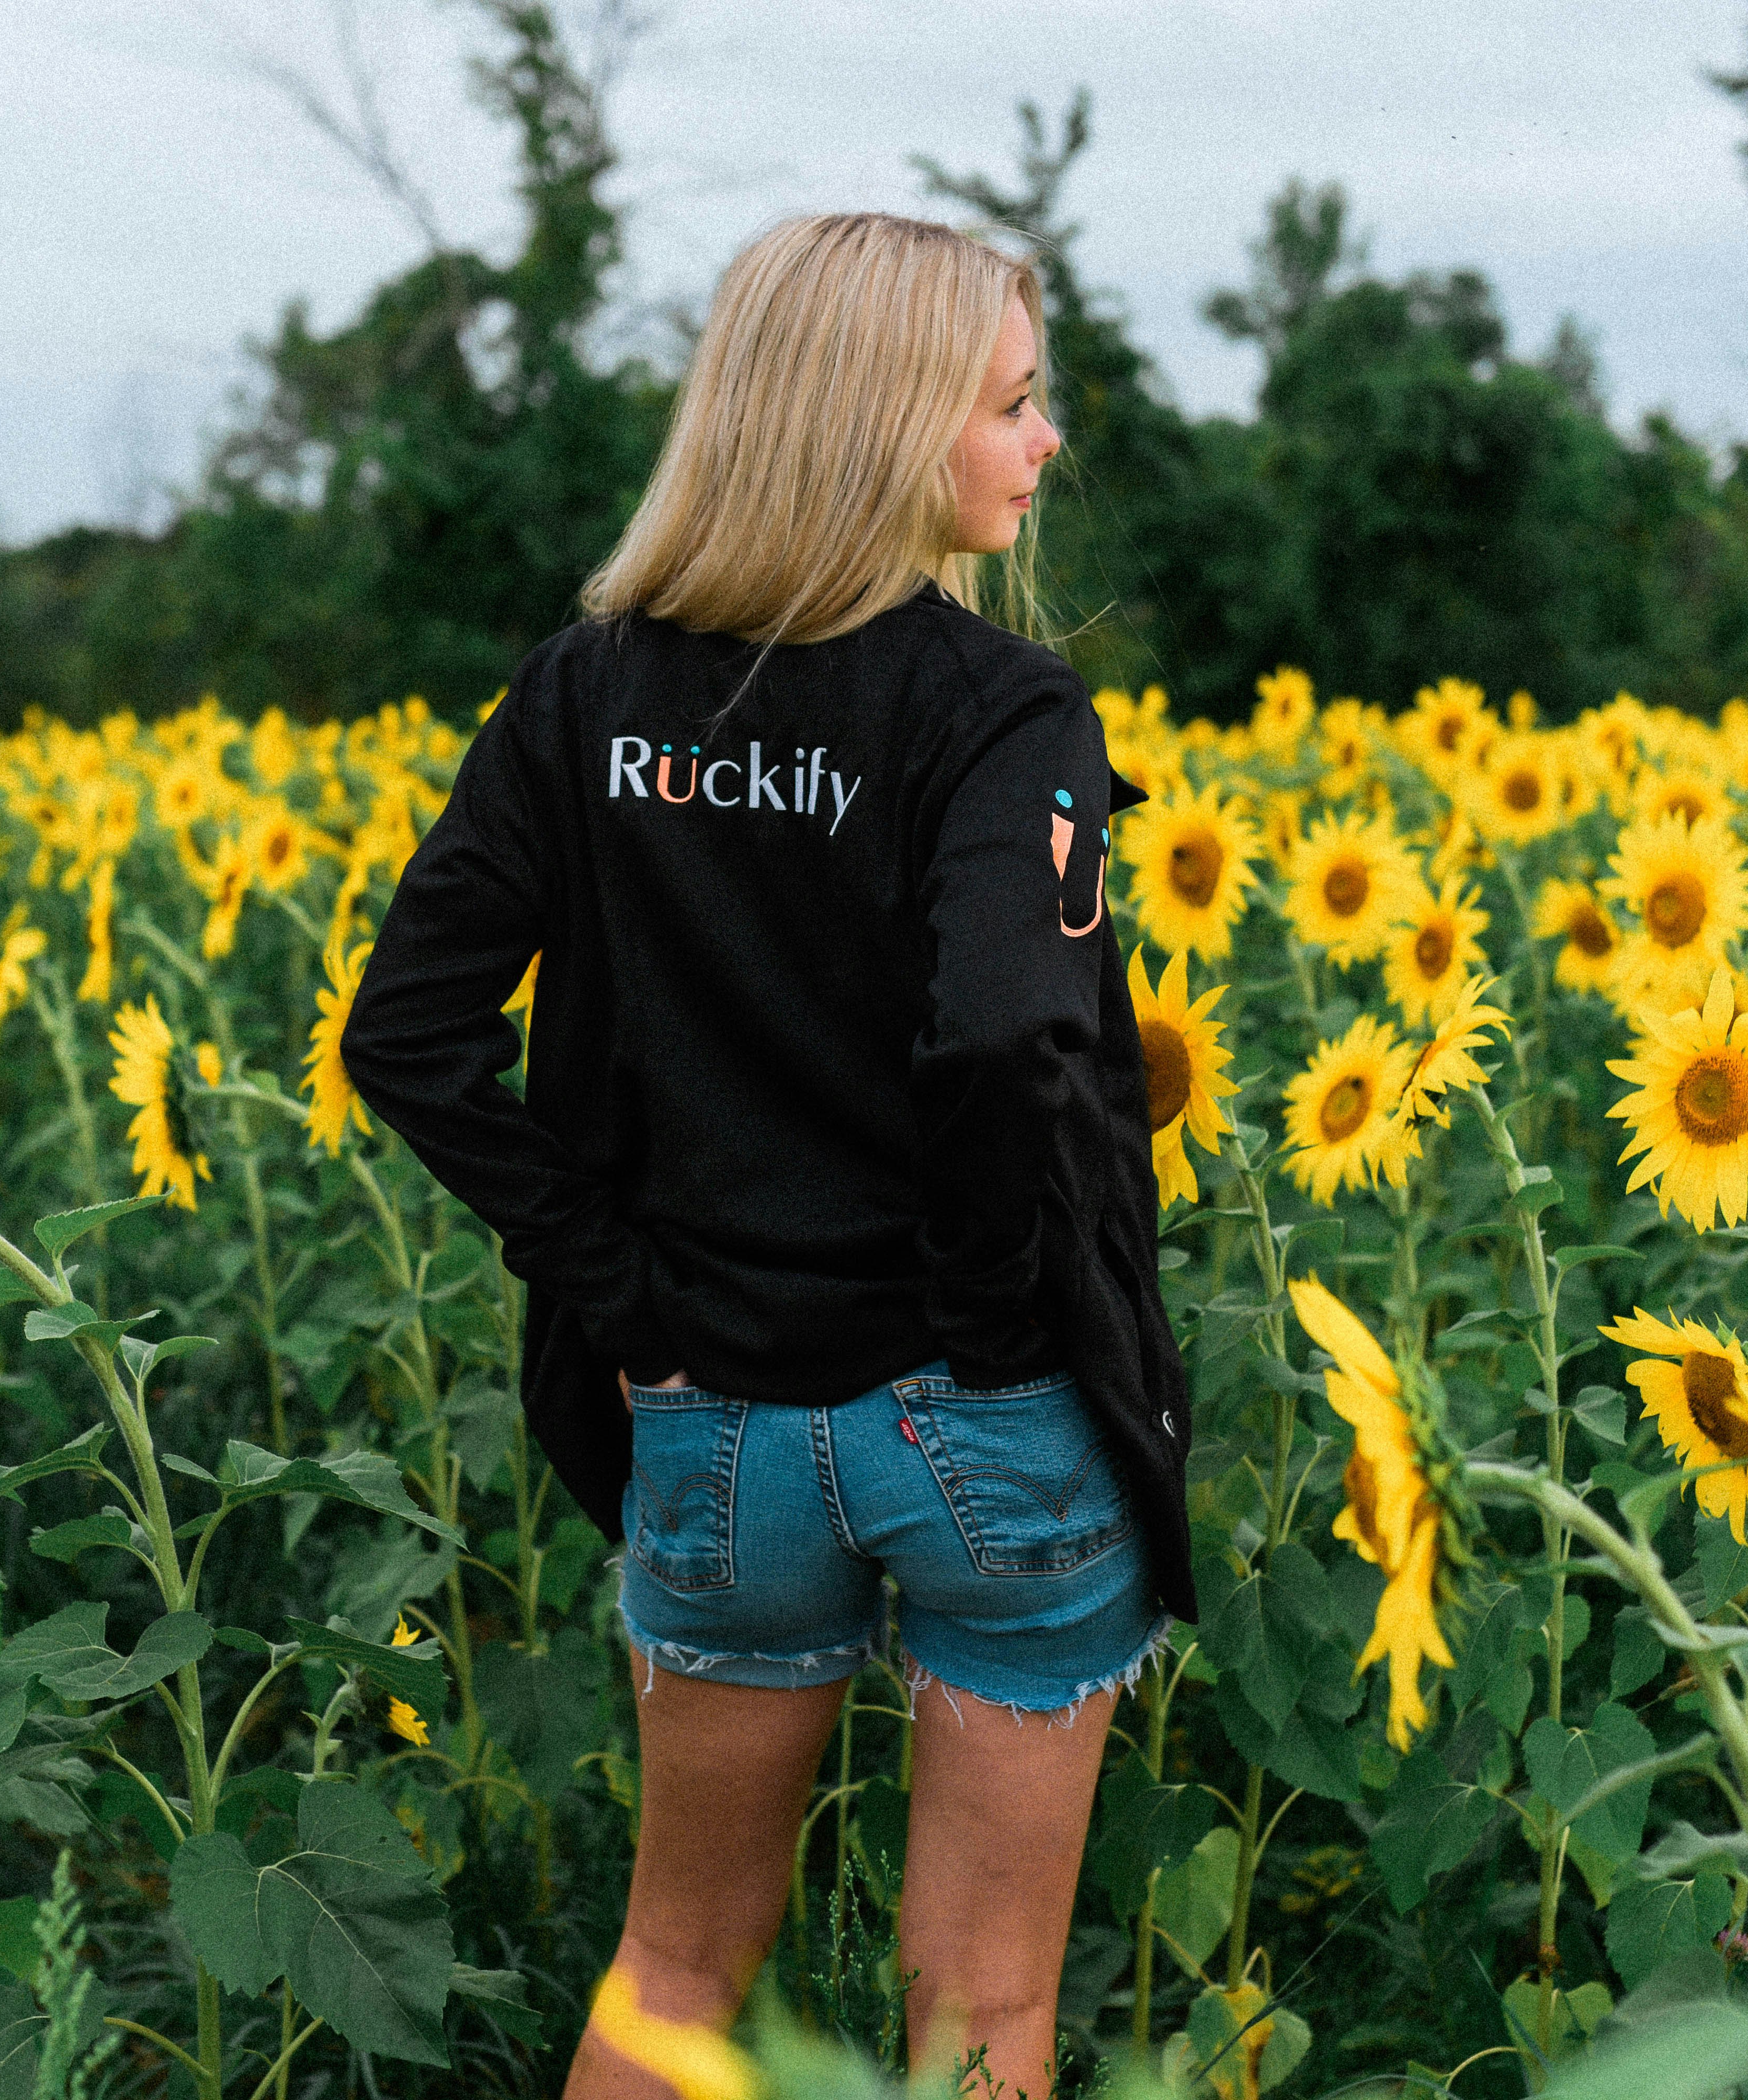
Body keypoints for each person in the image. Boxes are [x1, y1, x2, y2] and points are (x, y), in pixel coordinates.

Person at [340, 210, 1193, 2100]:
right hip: (979, 1421)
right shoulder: (998, 711)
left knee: (675, 1969)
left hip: (708, 1419)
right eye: (1011, 406)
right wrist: (981, 1330)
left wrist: (629, 1290)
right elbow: (1005, 1031)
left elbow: (406, 1037)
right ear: (887, 426)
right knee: (984, 2007)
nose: (1042, 446)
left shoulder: (591, 692)